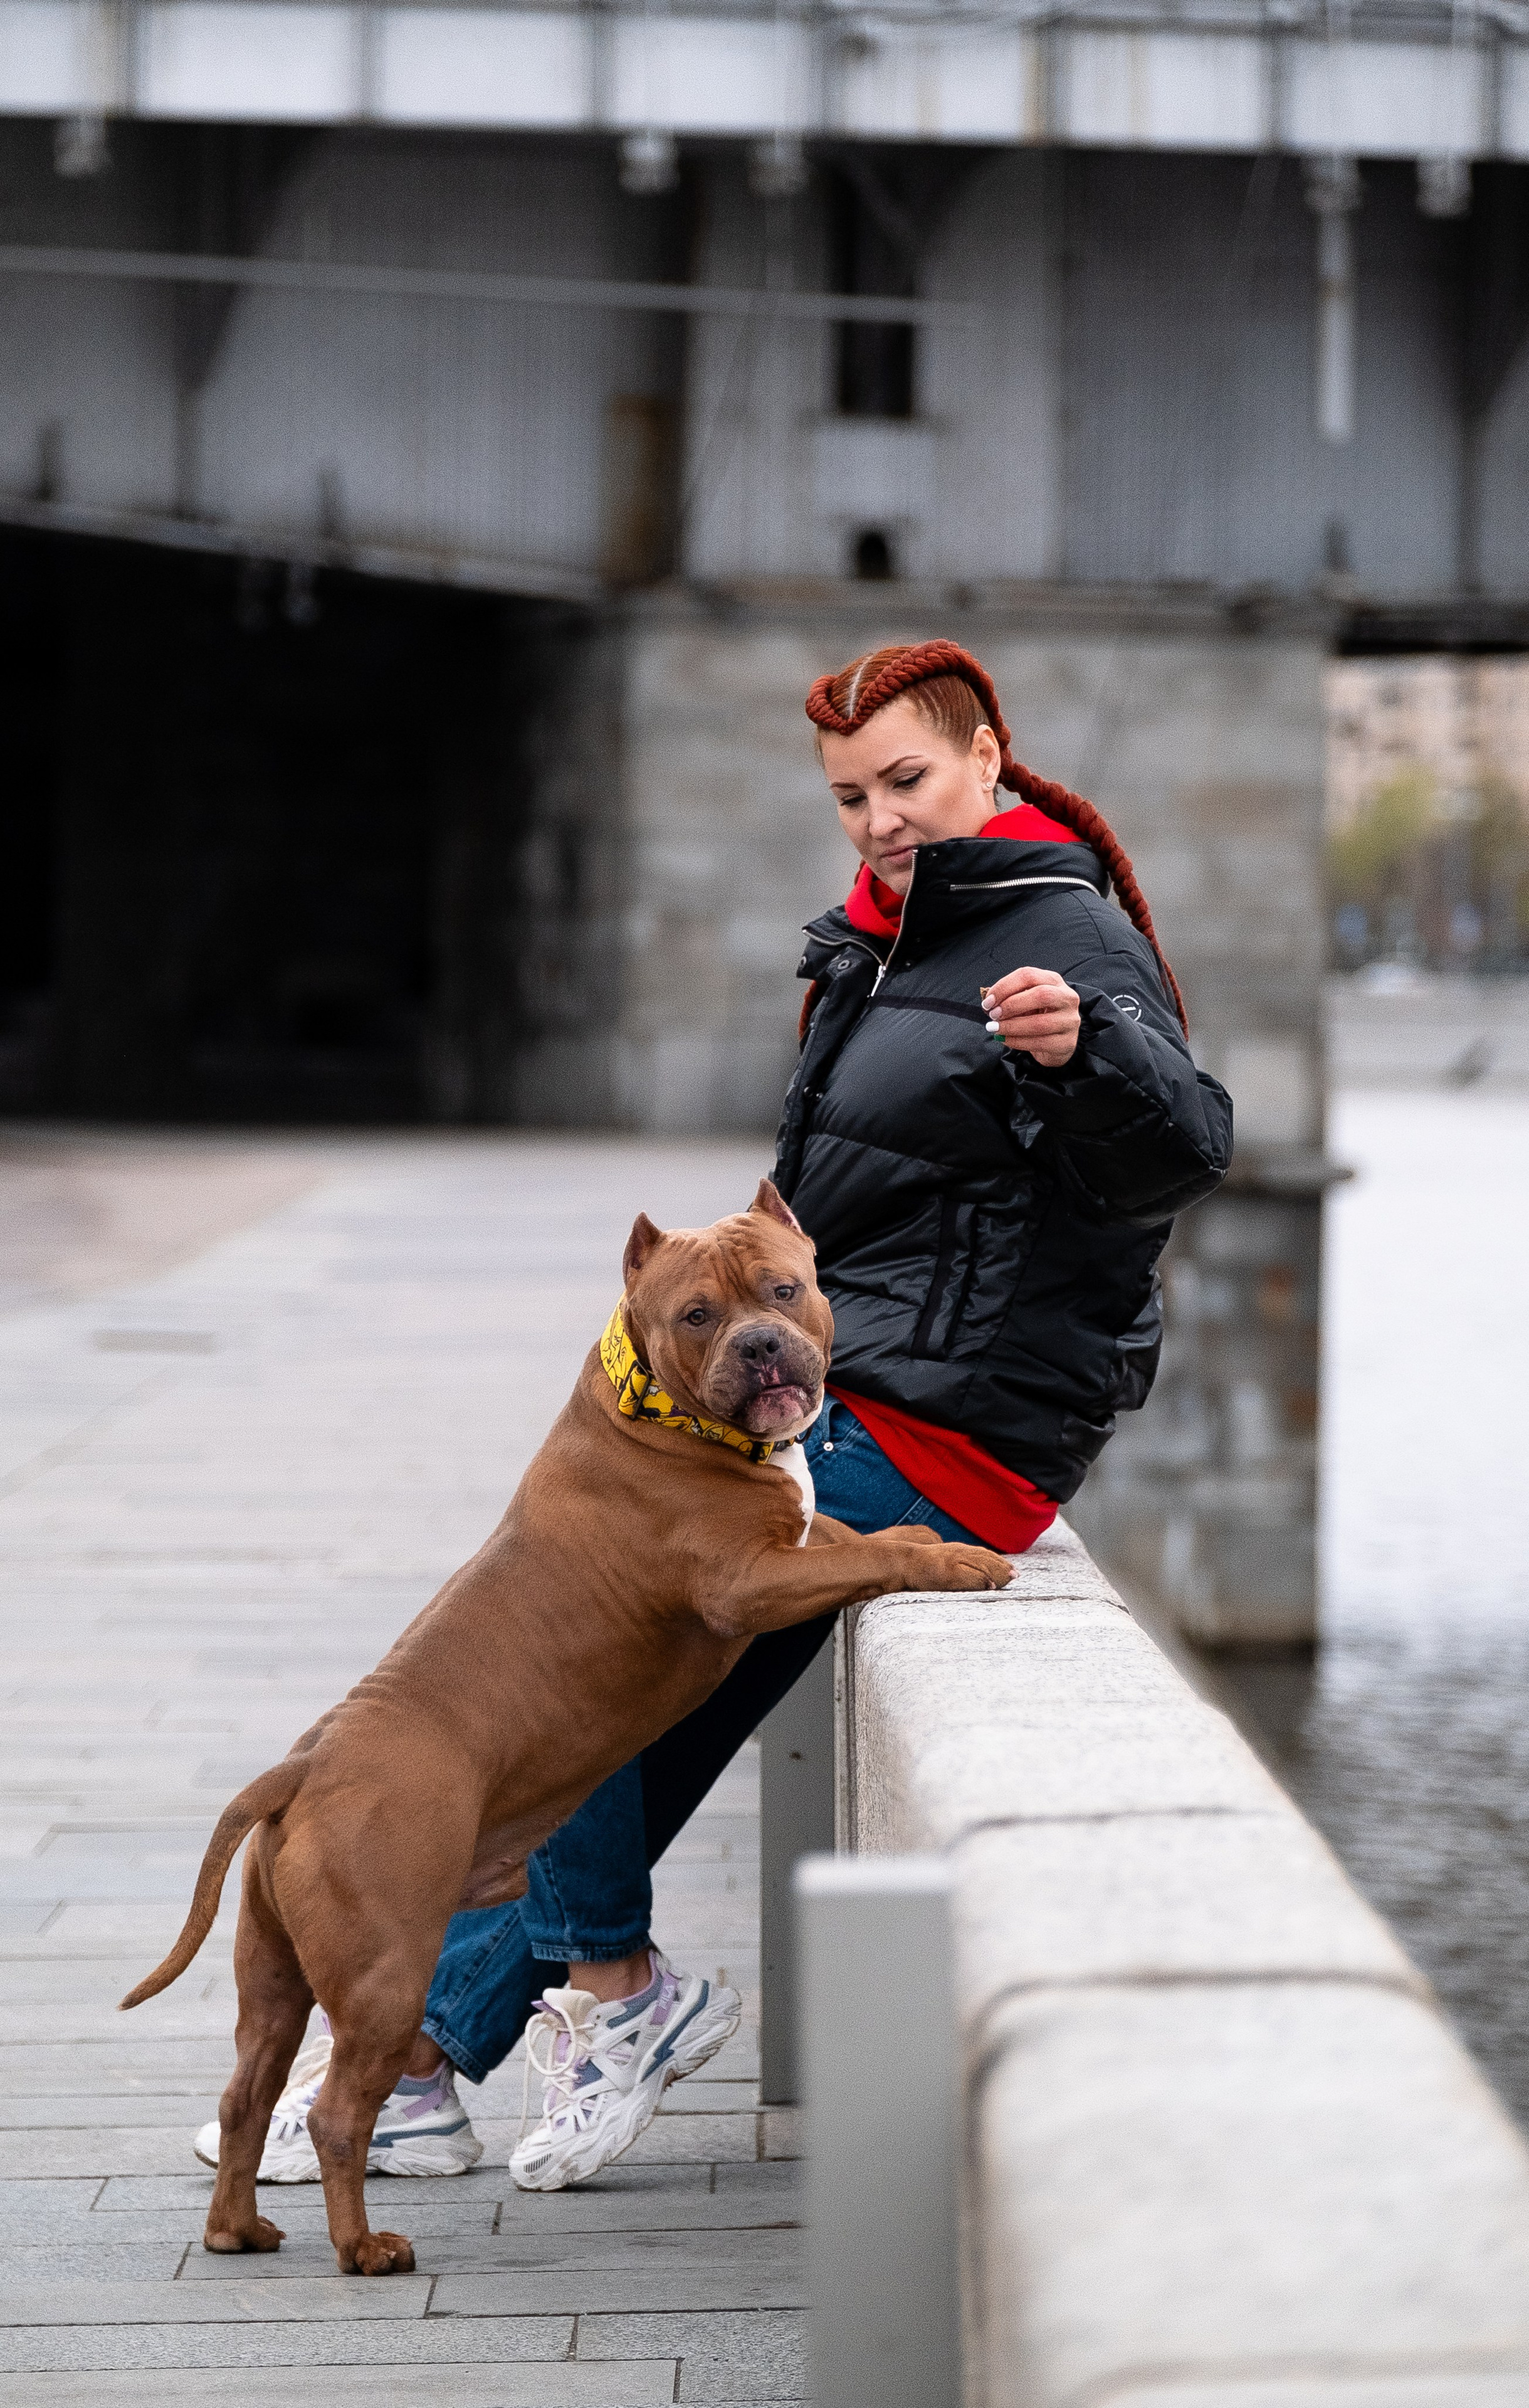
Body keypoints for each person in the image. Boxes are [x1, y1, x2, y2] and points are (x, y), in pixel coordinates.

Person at [194, 636, 1233, 2191]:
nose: (878, 817)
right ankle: (419, 2062)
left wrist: (1087, 1061)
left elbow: (1185, 1144)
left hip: (958, 1415)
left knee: (602, 1645)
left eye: (906, 780)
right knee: (588, 1662)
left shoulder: (1054, 931)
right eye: (849, 795)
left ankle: (605, 1994)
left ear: (988, 763)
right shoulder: (885, 939)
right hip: (851, 1376)